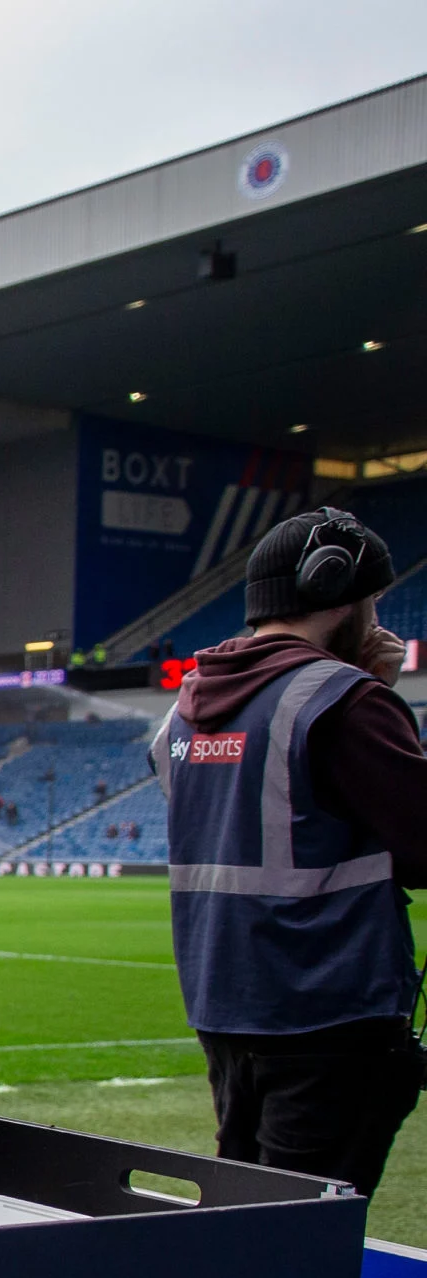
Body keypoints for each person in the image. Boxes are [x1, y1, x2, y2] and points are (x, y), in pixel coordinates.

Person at [153, 506, 425, 1199]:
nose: (376, 616)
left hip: (223, 1004)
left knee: (248, 1211)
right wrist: (373, 696)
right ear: (336, 593)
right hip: (329, 1010)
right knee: (302, 1230)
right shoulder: (347, 703)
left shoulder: (184, 709)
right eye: (371, 599)